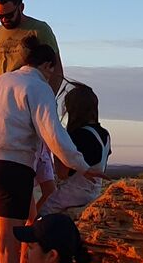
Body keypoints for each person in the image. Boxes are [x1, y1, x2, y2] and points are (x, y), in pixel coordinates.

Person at [0, 37, 84, 263]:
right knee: (8, 251)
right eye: (54, 73)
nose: (55, 79)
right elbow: (53, 133)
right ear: (47, 65)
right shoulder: (38, 86)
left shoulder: (0, 82)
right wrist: (81, 165)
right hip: (10, 170)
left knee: (11, 236)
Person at [40, 81, 110, 216]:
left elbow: (62, 173)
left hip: (70, 196)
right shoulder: (105, 135)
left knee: (41, 218)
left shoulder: (78, 135)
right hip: (93, 194)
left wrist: (56, 144)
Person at [0, 0, 63, 96]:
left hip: (30, 97)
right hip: (2, 100)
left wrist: (45, 100)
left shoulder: (40, 30)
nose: (4, 19)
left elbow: (56, 72)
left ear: (21, 7)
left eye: (9, 15)